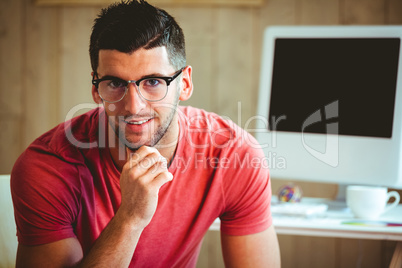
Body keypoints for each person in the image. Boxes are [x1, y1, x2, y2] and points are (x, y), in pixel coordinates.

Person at [10, 0, 280, 267]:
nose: (133, 106)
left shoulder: (233, 153)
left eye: (153, 82)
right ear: (96, 89)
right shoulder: (46, 167)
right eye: (114, 83)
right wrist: (130, 218)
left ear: (184, 84)